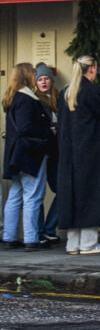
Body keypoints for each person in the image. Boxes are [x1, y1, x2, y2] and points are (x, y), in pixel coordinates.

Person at [57, 55, 100, 255]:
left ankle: (73, 243)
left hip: (69, 155)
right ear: (93, 69)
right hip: (90, 154)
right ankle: (88, 243)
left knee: (73, 196)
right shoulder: (92, 91)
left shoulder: (66, 93)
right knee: (91, 195)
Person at [2, 62, 56, 250]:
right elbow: (26, 128)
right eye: (33, 72)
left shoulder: (13, 98)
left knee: (15, 195)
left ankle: (9, 236)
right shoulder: (26, 99)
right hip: (30, 154)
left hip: (16, 155)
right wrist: (48, 131)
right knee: (33, 195)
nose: (35, 75)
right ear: (26, 75)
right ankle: (31, 238)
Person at [34, 63, 60, 245]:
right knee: (37, 193)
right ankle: (40, 232)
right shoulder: (35, 100)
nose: (44, 82)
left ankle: (50, 228)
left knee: (62, 190)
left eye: (46, 78)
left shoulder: (58, 98)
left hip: (57, 153)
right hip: (42, 152)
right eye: (40, 79)